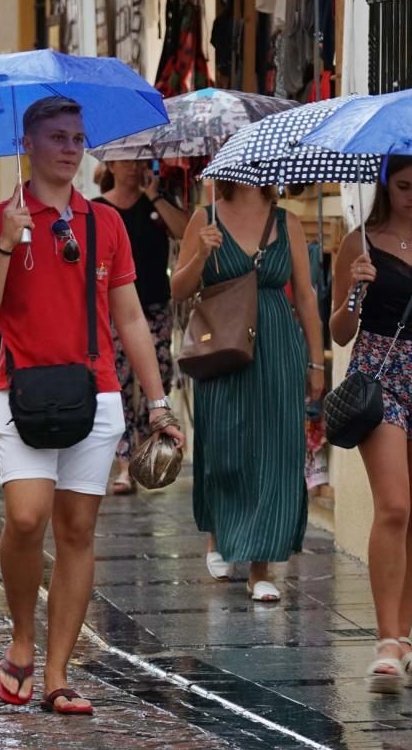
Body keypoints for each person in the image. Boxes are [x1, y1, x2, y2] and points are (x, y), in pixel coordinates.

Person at [0, 96, 184, 715]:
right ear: (27, 144)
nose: (69, 147)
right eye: (57, 136)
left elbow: (132, 317)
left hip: (97, 393)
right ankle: (23, 638)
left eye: (77, 137)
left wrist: (158, 404)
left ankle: (58, 673)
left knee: (78, 530)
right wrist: (6, 245)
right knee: (27, 518)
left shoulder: (103, 223)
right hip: (23, 391)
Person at [170, 181, 324, 602]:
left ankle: (262, 567)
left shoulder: (287, 221)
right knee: (224, 444)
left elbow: (306, 297)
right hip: (223, 340)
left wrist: (316, 361)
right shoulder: (205, 217)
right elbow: (179, 290)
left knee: (276, 449)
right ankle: (218, 535)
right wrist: (201, 252)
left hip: (276, 342)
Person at [330, 156, 412, 693]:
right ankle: (385, 640)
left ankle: (405, 637)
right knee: (395, 506)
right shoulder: (361, 241)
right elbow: (339, 332)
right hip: (379, 379)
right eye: (403, 186)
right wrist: (356, 288)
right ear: (385, 185)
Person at [95, 159, 189, 494]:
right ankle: (124, 466)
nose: (133, 169)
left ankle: (145, 454)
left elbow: (185, 232)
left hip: (154, 306)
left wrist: (157, 197)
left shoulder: (156, 203)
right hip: (111, 310)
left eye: (139, 162)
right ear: (111, 165)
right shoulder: (99, 209)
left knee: (157, 379)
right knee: (119, 383)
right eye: (126, 163)